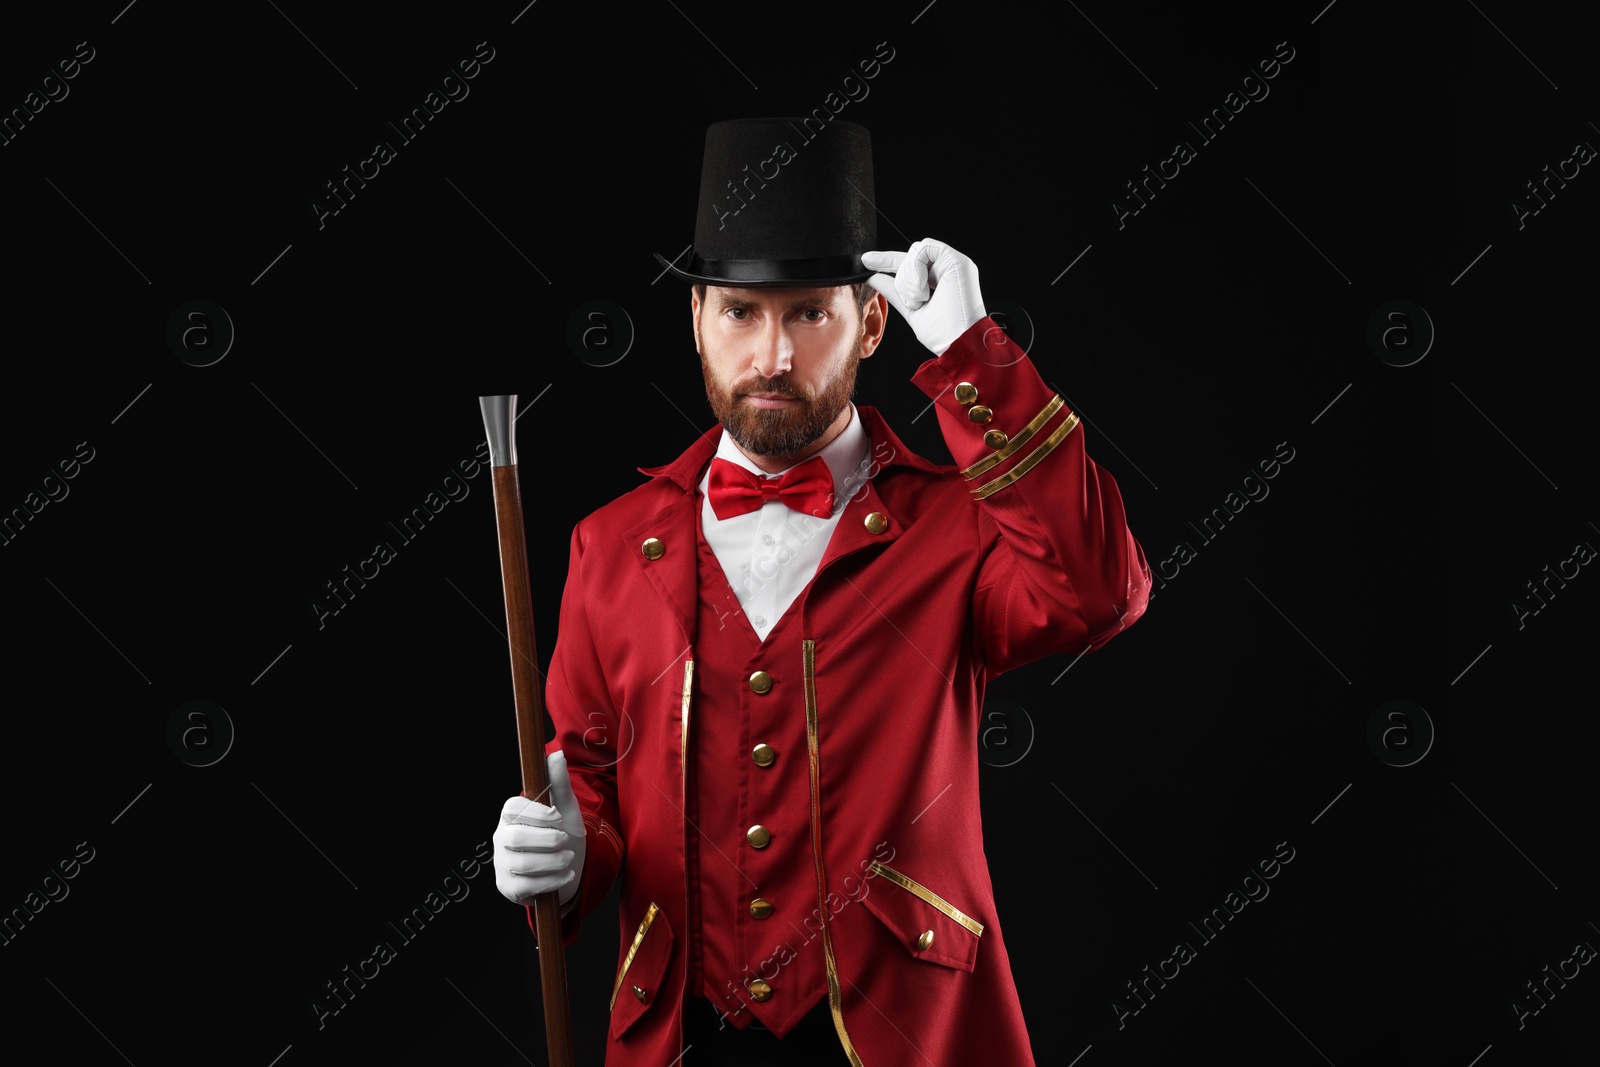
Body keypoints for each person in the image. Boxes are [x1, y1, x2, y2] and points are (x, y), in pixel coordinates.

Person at [490, 118, 1151, 1066]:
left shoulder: (959, 528)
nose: (772, 356)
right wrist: (557, 857)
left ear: (872, 323)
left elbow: (1098, 592)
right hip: (682, 1034)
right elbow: (587, 782)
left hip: (901, 1032)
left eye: (809, 313)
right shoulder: (607, 546)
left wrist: (977, 352)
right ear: (696, 321)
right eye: (740, 314)